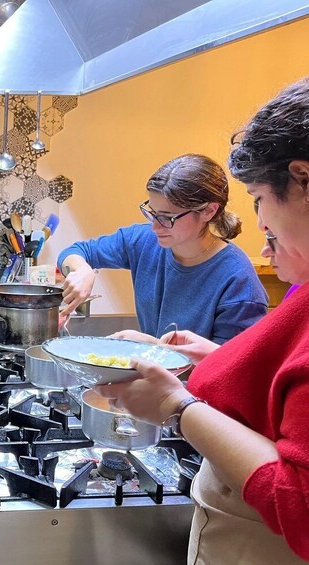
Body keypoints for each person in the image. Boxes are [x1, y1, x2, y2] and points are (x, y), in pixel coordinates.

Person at [96, 78, 309, 563]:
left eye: (258, 197)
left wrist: (176, 406)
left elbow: (299, 506)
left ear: (303, 180)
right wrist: (215, 357)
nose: (260, 226)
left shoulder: (239, 275)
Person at [58, 153, 268, 344]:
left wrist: (153, 347)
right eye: (152, 213)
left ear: (208, 211)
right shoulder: (143, 240)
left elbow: (228, 367)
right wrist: (82, 270)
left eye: (168, 217)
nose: (155, 227)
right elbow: (75, 252)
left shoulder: (239, 283)